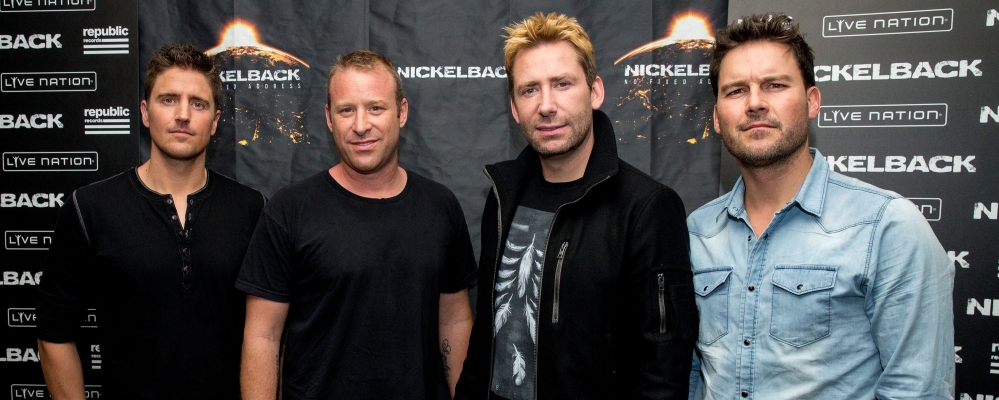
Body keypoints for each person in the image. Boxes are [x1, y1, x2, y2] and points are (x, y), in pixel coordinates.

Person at [687, 13, 954, 399]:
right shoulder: (698, 231)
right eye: (736, 91)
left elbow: (918, 389)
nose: (755, 103)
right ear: (716, 117)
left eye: (775, 85)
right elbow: (692, 373)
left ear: (812, 102)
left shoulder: (886, 227)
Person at [455, 12, 697, 400]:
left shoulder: (647, 208)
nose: (546, 105)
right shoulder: (502, 199)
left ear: (595, 91)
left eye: (562, 84)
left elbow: (663, 371)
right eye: (529, 90)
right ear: (514, 108)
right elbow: (486, 339)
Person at [237, 50, 477, 400]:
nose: (361, 125)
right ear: (329, 118)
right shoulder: (289, 210)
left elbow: (454, 321)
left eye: (375, 108)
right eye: (346, 110)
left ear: (402, 112)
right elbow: (263, 336)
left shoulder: (440, 206)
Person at [36, 44, 265, 399]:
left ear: (215, 120)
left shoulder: (251, 208)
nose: (183, 115)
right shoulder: (91, 208)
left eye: (198, 104)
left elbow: (269, 334)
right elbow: (54, 332)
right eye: (168, 100)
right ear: (145, 112)